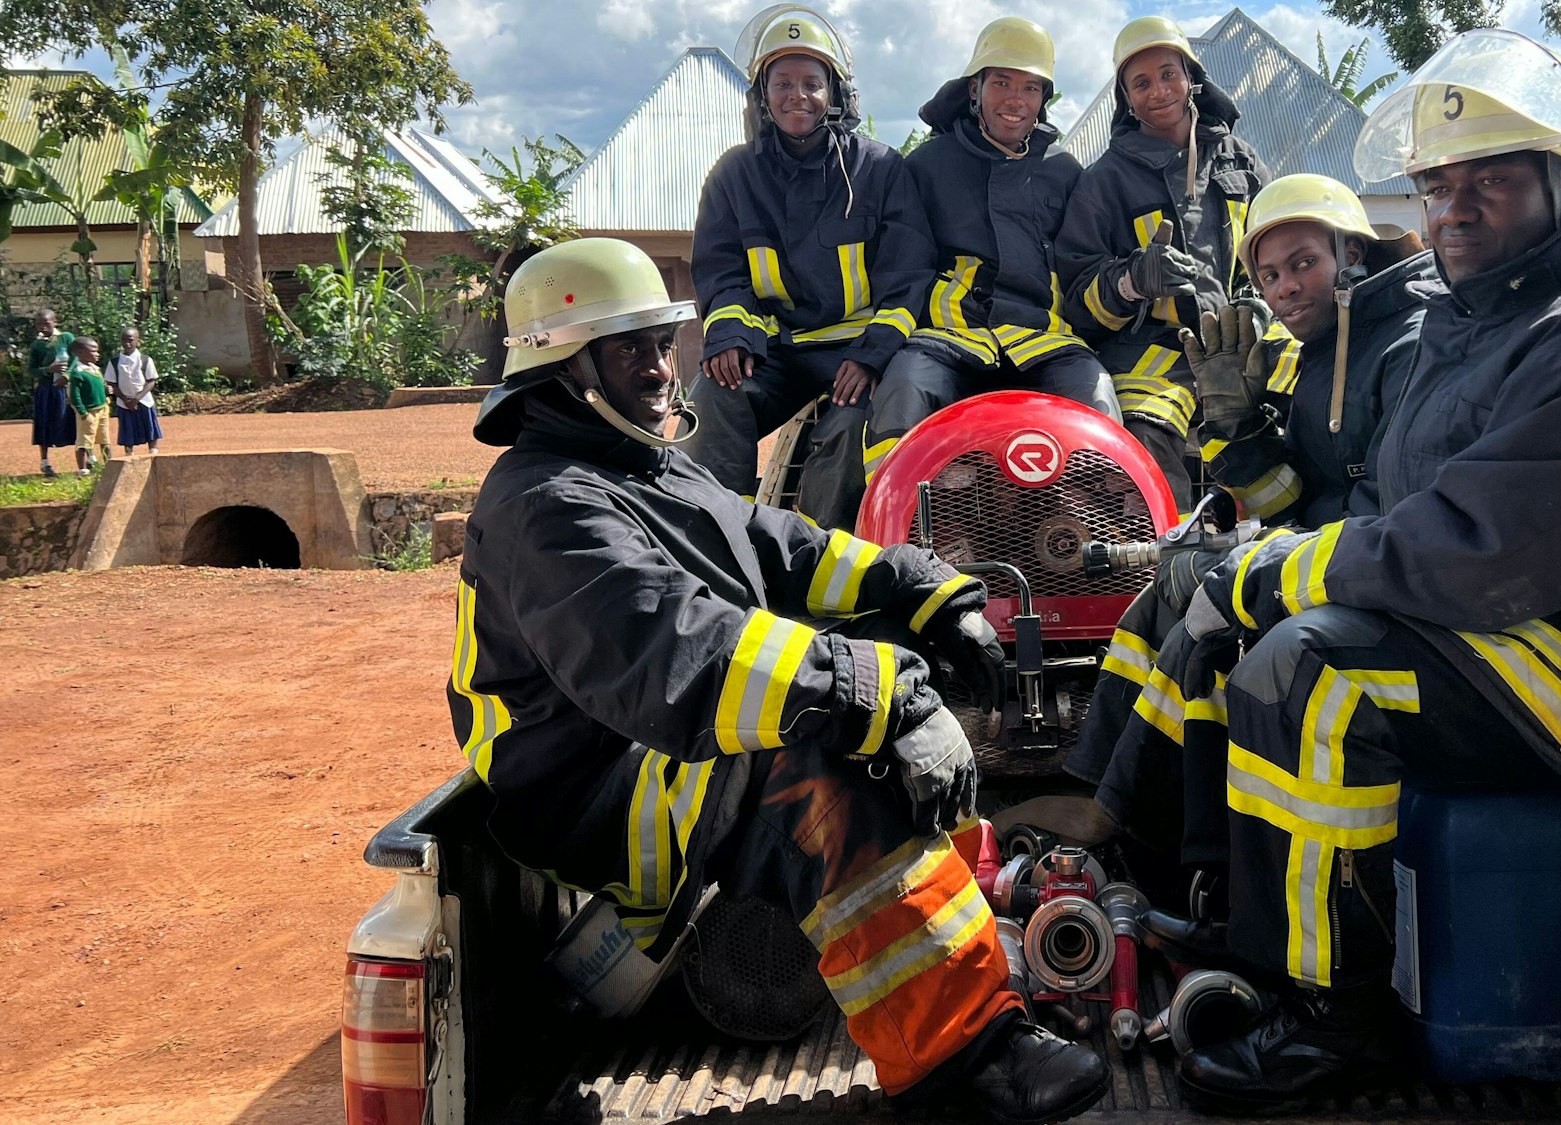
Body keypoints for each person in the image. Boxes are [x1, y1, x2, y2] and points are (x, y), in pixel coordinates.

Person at [1135, 31, 1561, 1110]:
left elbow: (1470, 555)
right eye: (1438, 184)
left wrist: (1279, 575)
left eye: (1489, 179)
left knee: (1319, 671)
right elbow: (1399, 505)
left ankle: (1332, 1022)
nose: (1454, 208)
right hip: (1553, 624)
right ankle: (1213, 908)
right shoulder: (1479, 316)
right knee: (1242, 631)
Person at [455, 237, 1106, 1124]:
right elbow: (681, 658)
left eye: (658, 340)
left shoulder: (637, 464)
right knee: (828, 755)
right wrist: (879, 693)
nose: (655, 366)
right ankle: (968, 1062)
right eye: (626, 349)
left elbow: (779, 544)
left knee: (860, 675)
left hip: (643, 750)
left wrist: (920, 593)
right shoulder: (549, 505)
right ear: (566, 372)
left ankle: (969, 928)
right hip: (595, 789)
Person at [1066, 175, 1435, 880]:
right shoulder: (1324, 350)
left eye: (1303, 262)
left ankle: (1191, 863)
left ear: (1351, 255)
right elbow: (1293, 497)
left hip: (1377, 583)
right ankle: (1096, 791)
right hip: (1327, 557)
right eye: (1269, 274)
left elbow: (1381, 522)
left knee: (1206, 635)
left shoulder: (1403, 348)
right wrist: (1237, 428)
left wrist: (1246, 557)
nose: (1285, 287)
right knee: (1161, 598)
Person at [682, 5, 934, 529]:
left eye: (812, 83)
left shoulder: (880, 169)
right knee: (713, 396)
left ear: (836, 94)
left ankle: (817, 565)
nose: (798, 95)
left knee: (849, 433)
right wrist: (730, 335)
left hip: (855, 355)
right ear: (762, 95)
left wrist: (872, 357)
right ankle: (714, 546)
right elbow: (721, 270)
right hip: (775, 350)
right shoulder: (734, 175)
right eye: (782, 83)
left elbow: (909, 277)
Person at [860, 18, 1119, 489]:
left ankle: (1096, 537)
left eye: (1031, 86)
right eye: (1001, 82)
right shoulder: (926, 166)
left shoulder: (1064, 171)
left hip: (1043, 339)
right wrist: (881, 348)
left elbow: (1083, 264)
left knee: (1095, 395)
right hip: (947, 336)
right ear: (974, 89)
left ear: (1044, 99)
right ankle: (889, 531)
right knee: (904, 389)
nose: (1016, 99)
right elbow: (906, 263)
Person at [1054, 15, 1270, 510]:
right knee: (1144, 438)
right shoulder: (1102, 182)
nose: (1159, 91)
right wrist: (1131, 280)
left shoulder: (1241, 162)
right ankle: (1167, 569)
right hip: (1152, 357)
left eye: (1168, 74)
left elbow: (1272, 251)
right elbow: (1077, 303)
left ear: (1191, 77)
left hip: (1244, 344)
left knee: (1308, 402)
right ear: (1126, 100)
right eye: (1141, 83)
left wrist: (1260, 307)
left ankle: (1286, 550)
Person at [27, 309, 76, 477]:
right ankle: (45, 462)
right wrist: (48, 370)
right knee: (44, 422)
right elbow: (32, 370)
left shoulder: (66, 338)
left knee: (75, 420)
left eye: (46, 323)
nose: (43, 327)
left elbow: (77, 358)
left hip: (66, 388)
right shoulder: (36, 345)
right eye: (39, 324)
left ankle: (88, 458)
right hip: (47, 389)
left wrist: (67, 375)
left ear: (55, 322)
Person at [109, 327, 164, 456]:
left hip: (144, 400)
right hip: (124, 402)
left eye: (131, 340)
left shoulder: (145, 360)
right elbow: (112, 383)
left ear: (137, 341)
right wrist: (125, 399)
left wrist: (136, 399)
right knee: (127, 429)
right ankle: (129, 455)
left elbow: (151, 381)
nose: (127, 343)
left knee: (150, 428)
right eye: (124, 340)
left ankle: (153, 453)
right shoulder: (115, 362)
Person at [66, 337, 111, 475]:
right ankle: (83, 469)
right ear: (80, 353)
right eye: (93, 351)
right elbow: (75, 395)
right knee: (84, 441)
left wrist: (107, 392)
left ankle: (109, 465)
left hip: (102, 409)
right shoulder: (78, 373)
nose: (97, 354)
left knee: (105, 439)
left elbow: (101, 387)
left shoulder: (95, 369)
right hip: (88, 412)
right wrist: (82, 412)